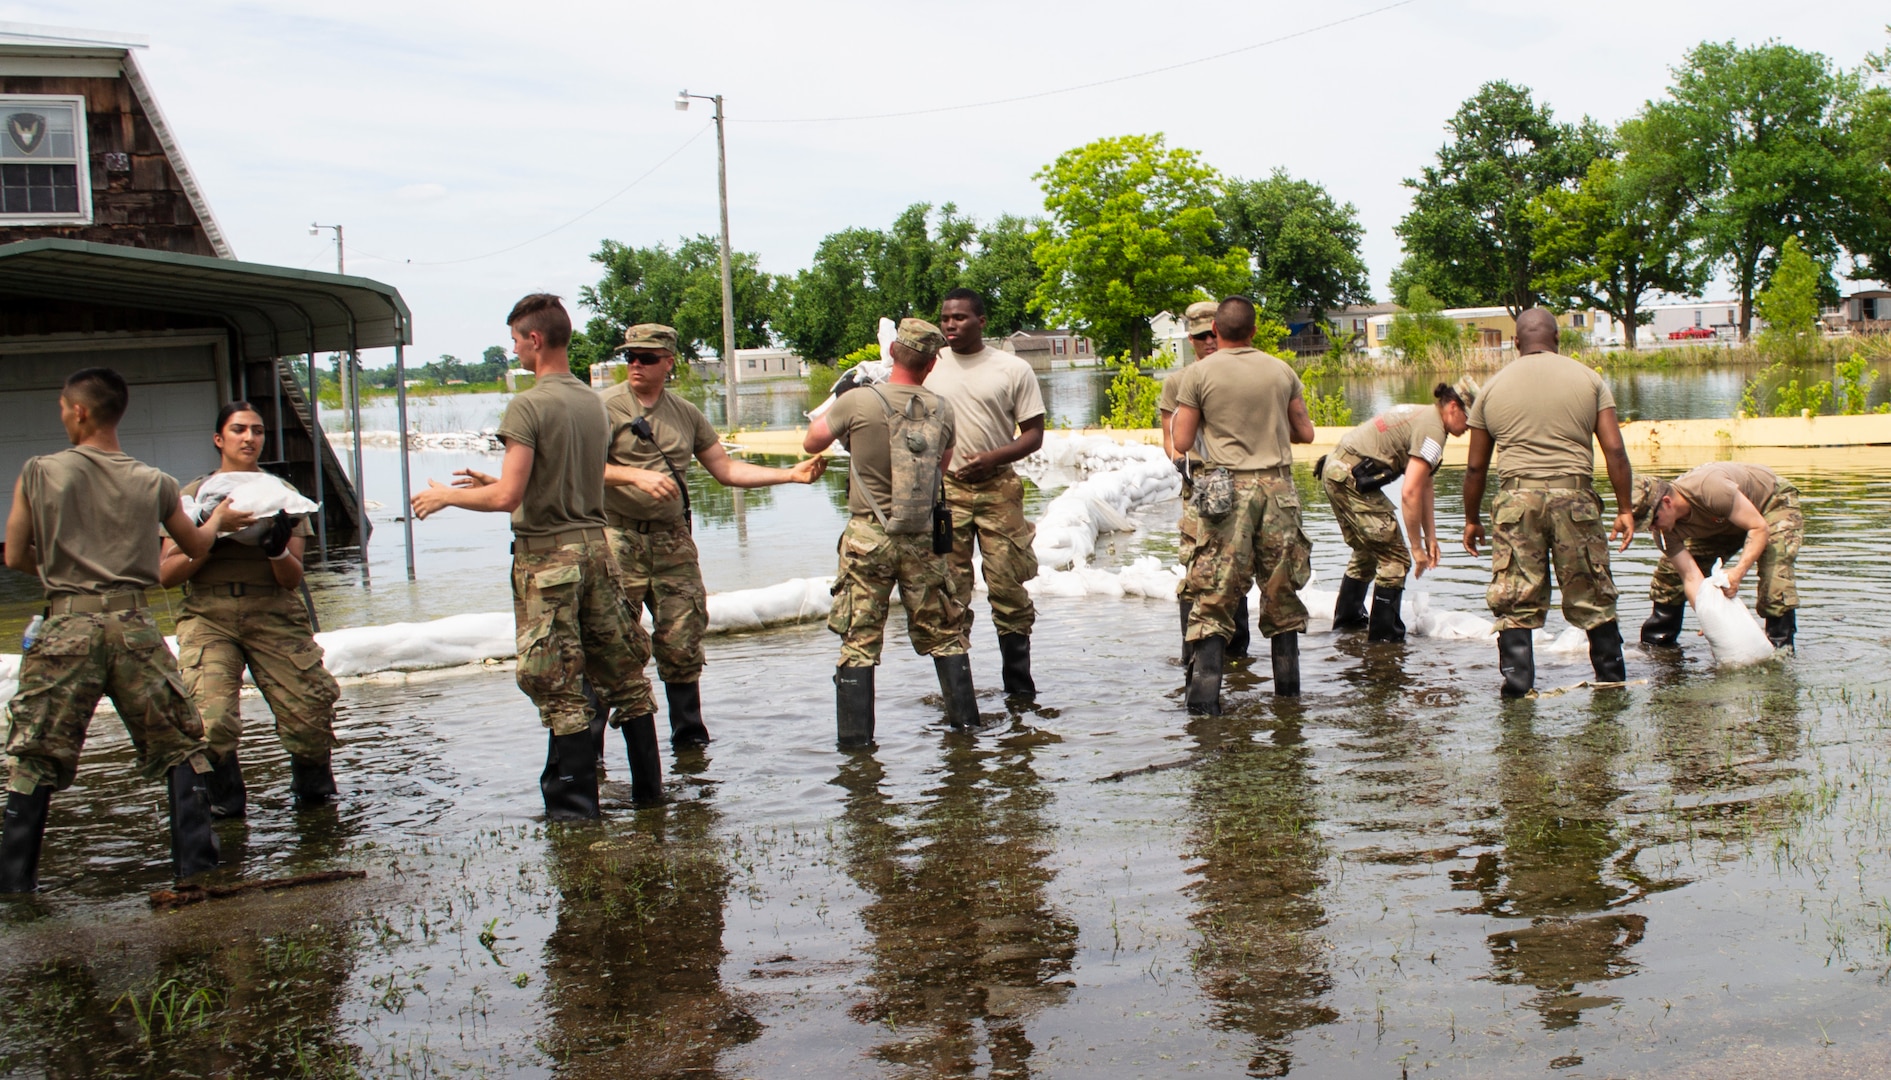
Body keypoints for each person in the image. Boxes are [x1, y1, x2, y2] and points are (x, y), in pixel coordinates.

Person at [2, 368, 256, 892]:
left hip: (66, 624)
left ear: (78, 411)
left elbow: (13, 554)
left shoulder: (40, 471)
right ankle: (196, 873)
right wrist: (220, 523)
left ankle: (13, 888)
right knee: (179, 747)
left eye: (61, 410)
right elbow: (194, 545)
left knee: (35, 753)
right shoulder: (154, 481)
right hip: (133, 625)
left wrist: (61, 573)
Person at [411, 294, 661, 818]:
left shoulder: (528, 404)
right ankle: (649, 799)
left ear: (535, 339)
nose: (515, 351)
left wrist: (447, 495)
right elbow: (566, 479)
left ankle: (572, 814)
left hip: (549, 560)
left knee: (556, 682)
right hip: (598, 550)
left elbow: (506, 498)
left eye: (516, 341)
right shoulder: (593, 402)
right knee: (625, 678)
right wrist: (500, 483)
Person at [600, 323, 826, 748]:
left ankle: (690, 746)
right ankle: (590, 756)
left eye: (646, 358)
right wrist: (634, 476)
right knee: (609, 642)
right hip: (618, 538)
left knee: (683, 641)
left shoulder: (685, 413)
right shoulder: (603, 409)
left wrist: (789, 475)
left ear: (668, 362)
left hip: (672, 541)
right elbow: (577, 469)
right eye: (629, 356)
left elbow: (725, 470)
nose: (635, 364)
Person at [158, 402, 341, 818]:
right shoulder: (191, 496)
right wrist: (212, 530)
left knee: (308, 717)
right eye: (239, 429)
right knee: (212, 720)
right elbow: (167, 575)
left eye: (257, 431)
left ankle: (317, 808)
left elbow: (291, 579)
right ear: (219, 439)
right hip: (209, 615)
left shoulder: (283, 496)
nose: (249, 438)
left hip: (273, 611)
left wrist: (275, 548)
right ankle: (225, 809)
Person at [804, 318, 974, 747]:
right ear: (932, 365)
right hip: (922, 538)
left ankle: (856, 749)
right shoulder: (942, 409)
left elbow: (812, 442)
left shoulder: (858, 402)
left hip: (868, 537)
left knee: (859, 642)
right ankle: (967, 734)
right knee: (947, 636)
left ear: (893, 353)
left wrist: (840, 401)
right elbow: (941, 467)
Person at [1461, 308, 1634, 697]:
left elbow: (1475, 469)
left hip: (1516, 502)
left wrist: (1472, 520)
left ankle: (1518, 690)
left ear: (1516, 343)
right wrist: (1625, 509)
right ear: (1558, 338)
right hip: (1575, 498)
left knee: (1514, 598)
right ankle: (1612, 683)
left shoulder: (1491, 389)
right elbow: (1615, 451)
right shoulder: (1589, 380)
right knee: (1594, 595)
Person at [1169, 297, 1316, 712]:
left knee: (1213, 593)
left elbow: (1181, 442)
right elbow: (1304, 432)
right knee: (1281, 593)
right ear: (1254, 330)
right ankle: (1288, 701)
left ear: (1215, 329)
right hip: (1277, 489)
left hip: (1222, 489)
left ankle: (1203, 707)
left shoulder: (1198, 374)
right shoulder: (1281, 370)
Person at [928, 288, 1046, 698]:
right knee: (949, 593)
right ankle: (959, 701)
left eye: (959, 318)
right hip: (946, 495)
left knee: (1009, 588)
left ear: (981, 321)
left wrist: (993, 458)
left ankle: (1020, 693)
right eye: (945, 318)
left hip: (998, 490)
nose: (950, 325)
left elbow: (1033, 436)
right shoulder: (930, 365)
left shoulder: (1011, 369)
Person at [1320, 379, 1479, 643]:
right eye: (1468, 418)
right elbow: (1410, 493)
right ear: (1453, 407)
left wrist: (1431, 538)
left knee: (1368, 551)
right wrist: (1416, 548)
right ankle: (1384, 643)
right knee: (1396, 559)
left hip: (1338, 471)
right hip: (1349, 477)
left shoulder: (1430, 419)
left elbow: (1425, 483)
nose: (1469, 427)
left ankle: (1348, 627)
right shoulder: (1433, 431)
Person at [1161, 300, 1250, 662]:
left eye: (1212, 335)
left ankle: (1237, 652)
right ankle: (1192, 654)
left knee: (1238, 563)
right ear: (1190, 340)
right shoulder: (1178, 382)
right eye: (1200, 338)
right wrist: (1179, 460)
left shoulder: (1241, 374)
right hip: (1199, 482)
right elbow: (1169, 434)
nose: (1208, 343)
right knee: (1195, 564)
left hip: (1239, 481)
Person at [1631, 463, 1802, 650]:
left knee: (1774, 579)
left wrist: (1737, 573)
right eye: (1646, 525)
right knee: (1670, 577)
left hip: (1770, 504)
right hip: (1722, 522)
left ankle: (1781, 651)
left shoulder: (1710, 488)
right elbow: (1690, 576)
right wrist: (1710, 616)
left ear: (1667, 502)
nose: (1652, 528)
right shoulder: (1664, 531)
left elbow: (1758, 527)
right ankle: (1659, 649)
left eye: (1653, 520)